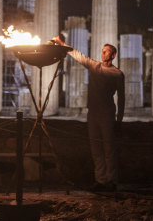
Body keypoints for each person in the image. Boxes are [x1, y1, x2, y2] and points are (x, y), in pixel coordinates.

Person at [53, 36, 125, 192]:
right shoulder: (94, 66)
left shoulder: (117, 74)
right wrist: (61, 44)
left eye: (106, 52)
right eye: (102, 51)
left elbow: (122, 98)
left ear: (113, 55)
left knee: (109, 148)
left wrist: (119, 120)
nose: (103, 54)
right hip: (92, 113)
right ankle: (100, 180)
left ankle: (111, 181)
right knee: (96, 148)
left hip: (107, 113)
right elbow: (78, 55)